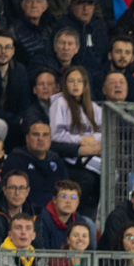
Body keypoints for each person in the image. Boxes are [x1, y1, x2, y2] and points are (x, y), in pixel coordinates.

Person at [49, 65, 102, 216]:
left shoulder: (93, 107)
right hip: (70, 155)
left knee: (113, 170)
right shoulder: (59, 103)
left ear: (85, 85)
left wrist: (92, 139)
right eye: (71, 81)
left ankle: (98, 213)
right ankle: (94, 215)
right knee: (108, 171)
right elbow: (56, 135)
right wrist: (81, 140)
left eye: (79, 81)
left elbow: (105, 131)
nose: (75, 84)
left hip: (92, 153)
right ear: (65, 84)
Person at [1, 121, 69, 213]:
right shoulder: (15, 160)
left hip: (56, 213)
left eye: (45, 135)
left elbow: (66, 190)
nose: (40, 138)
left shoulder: (57, 160)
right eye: (36, 134)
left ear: (50, 138)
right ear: (27, 138)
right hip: (29, 214)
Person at [37, 179, 95, 250]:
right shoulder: (41, 219)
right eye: (64, 196)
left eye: (73, 197)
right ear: (54, 199)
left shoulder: (80, 222)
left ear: (78, 202)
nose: (69, 201)